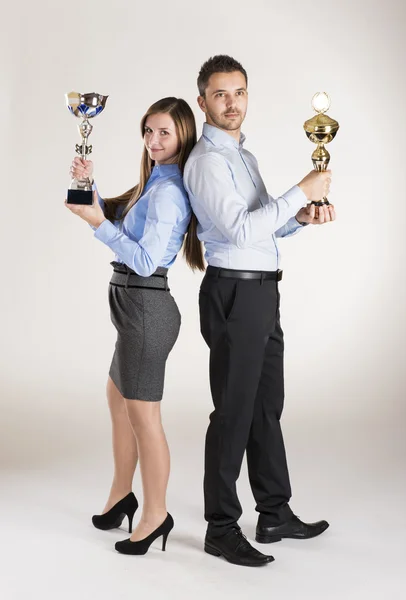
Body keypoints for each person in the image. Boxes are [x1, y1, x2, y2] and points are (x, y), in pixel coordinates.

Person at [183, 55, 336, 567]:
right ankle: (220, 527)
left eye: (240, 92)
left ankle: (274, 513)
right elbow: (239, 232)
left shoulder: (243, 157)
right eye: (222, 94)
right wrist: (300, 189)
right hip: (234, 294)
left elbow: (263, 224)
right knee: (233, 411)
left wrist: (302, 215)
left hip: (263, 292)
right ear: (202, 100)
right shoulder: (206, 161)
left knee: (267, 406)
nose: (233, 103)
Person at [65, 96, 201, 556]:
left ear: (183, 134)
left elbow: (144, 261)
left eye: (164, 132)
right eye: (148, 131)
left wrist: (97, 223)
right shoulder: (153, 182)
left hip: (147, 307)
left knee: (144, 416)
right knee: (116, 396)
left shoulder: (169, 190)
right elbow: (121, 221)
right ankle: (123, 495)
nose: (154, 140)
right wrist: (90, 187)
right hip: (132, 308)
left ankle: (156, 514)